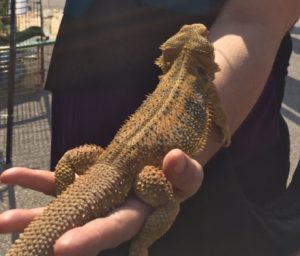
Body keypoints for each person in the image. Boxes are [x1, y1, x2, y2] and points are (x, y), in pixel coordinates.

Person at [1, 0, 300, 255]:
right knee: (164, 206)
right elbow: (215, 115)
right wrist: (74, 200)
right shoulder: (201, 83)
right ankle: (140, 246)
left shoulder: (195, 80)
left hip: (232, 96)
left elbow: (256, 18)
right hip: (89, 71)